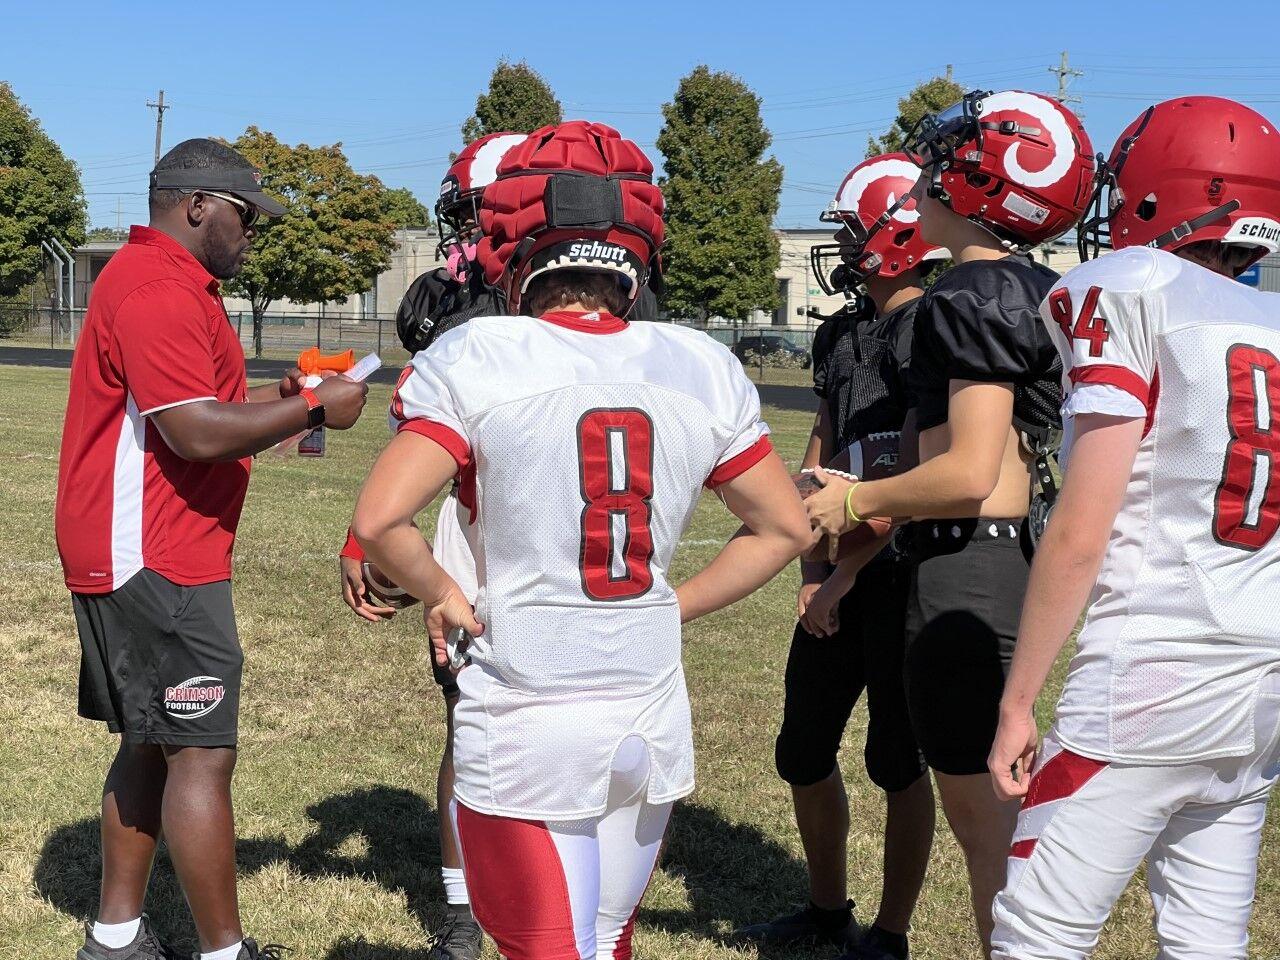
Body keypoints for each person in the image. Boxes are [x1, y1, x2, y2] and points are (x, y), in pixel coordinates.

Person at [350, 120, 814, 960]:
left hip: (531, 709)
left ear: (513, 244)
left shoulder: (481, 354)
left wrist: (447, 594)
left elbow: (380, 519)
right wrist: (674, 601)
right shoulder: (699, 364)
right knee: (606, 942)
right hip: (647, 709)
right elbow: (783, 525)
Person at [55, 138, 369, 960]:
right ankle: (224, 953)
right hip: (156, 555)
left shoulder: (162, 282)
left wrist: (284, 395)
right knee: (199, 749)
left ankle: (116, 937)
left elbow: (202, 410)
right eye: (244, 215)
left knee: (153, 739)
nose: (250, 233)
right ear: (198, 204)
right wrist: (311, 414)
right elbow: (194, 433)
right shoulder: (157, 287)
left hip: (151, 546)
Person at [988, 96, 1280, 960]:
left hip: (1151, 673)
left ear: (1163, 190)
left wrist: (1016, 700)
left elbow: (1083, 525)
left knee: (1036, 933)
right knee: (1205, 939)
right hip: (1261, 680)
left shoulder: (1129, 289)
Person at [804, 91, 1094, 954]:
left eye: (941, 162)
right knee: (994, 827)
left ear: (974, 184)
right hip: (1006, 562)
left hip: (971, 564)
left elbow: (973, 474)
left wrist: (857, 501)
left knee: (990, 838)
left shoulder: (971, 290)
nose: (922, 179)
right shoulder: (1033, 285)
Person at [738, 154, 944, 960]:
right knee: (802, 747)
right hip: (843, 563)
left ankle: (889, 936)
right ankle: (828, 911)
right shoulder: (843, 331)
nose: (846, 247)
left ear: (898, 231)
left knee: (898, 759)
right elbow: (824, 447)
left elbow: (918, 470)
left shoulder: (936, 327)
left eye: (855, 231)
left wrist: (847, 573)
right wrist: (813, 568)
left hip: (907, 569)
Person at [338, 130, 525, 960]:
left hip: (528, 540)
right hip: (489, 530)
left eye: (475, 216)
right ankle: (468, 904)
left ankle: (518, 900)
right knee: (473, 716)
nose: (460, 240)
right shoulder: (470, 304)